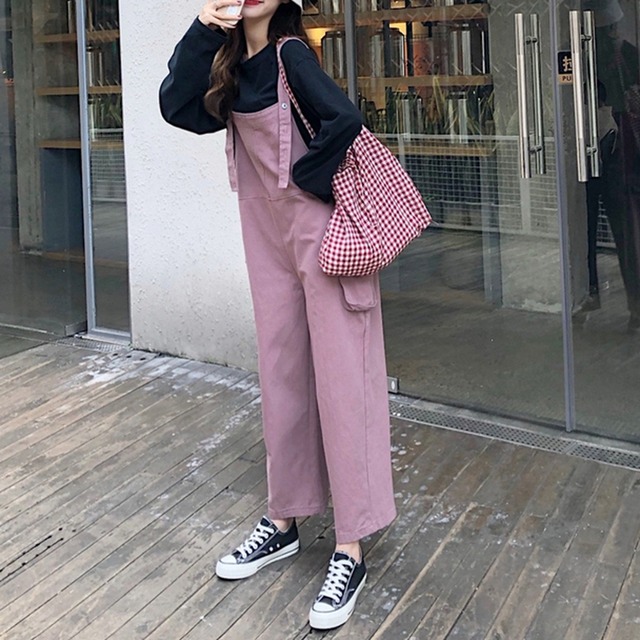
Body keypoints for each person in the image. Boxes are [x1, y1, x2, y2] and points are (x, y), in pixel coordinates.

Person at [159, 0, 397, 630]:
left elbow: (345, 118)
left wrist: (308, 180)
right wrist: (203, 28)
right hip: (268, 241)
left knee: (345, 380)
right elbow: (176, 107)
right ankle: (284, 519)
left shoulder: (292, 54)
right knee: (282, 373)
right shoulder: (229, 68)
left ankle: (350, 546)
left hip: (324, 237)